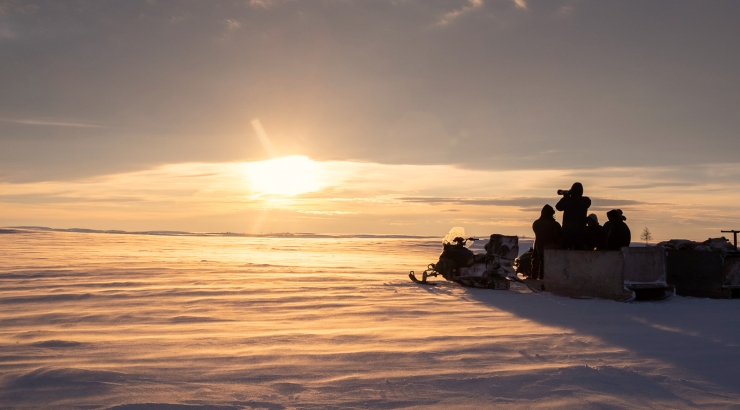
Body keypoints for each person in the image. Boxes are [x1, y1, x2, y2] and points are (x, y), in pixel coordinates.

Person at [555, 182, 591, 250]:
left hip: (567, 230)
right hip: (581, 230)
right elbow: (587, 203)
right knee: (579, 250)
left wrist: (566, 197)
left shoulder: (568, 200)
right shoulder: (585, 200)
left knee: (566, 250)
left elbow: (558, 207)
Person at [530, 204, 562, 280]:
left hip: (538, 246)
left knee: (538, 261)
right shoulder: (554, 224)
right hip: (550, 248)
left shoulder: (536, 223)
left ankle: (535, 276)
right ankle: (543, 278)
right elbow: (559, 237)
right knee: (545, 263)